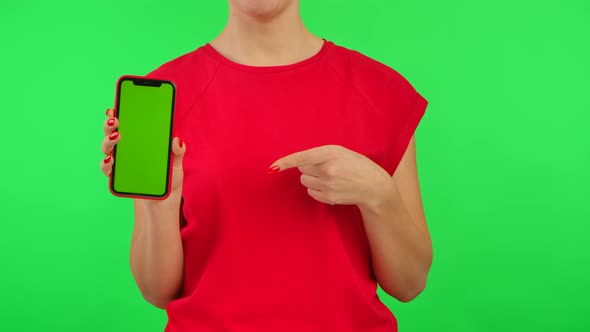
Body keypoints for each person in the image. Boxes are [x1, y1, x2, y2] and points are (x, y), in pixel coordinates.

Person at [100, 0, 432, 331]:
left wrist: (378, 194)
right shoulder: (163, 98)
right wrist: (162, 202)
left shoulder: (381, 92)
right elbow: (157, 291)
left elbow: (410, 283)